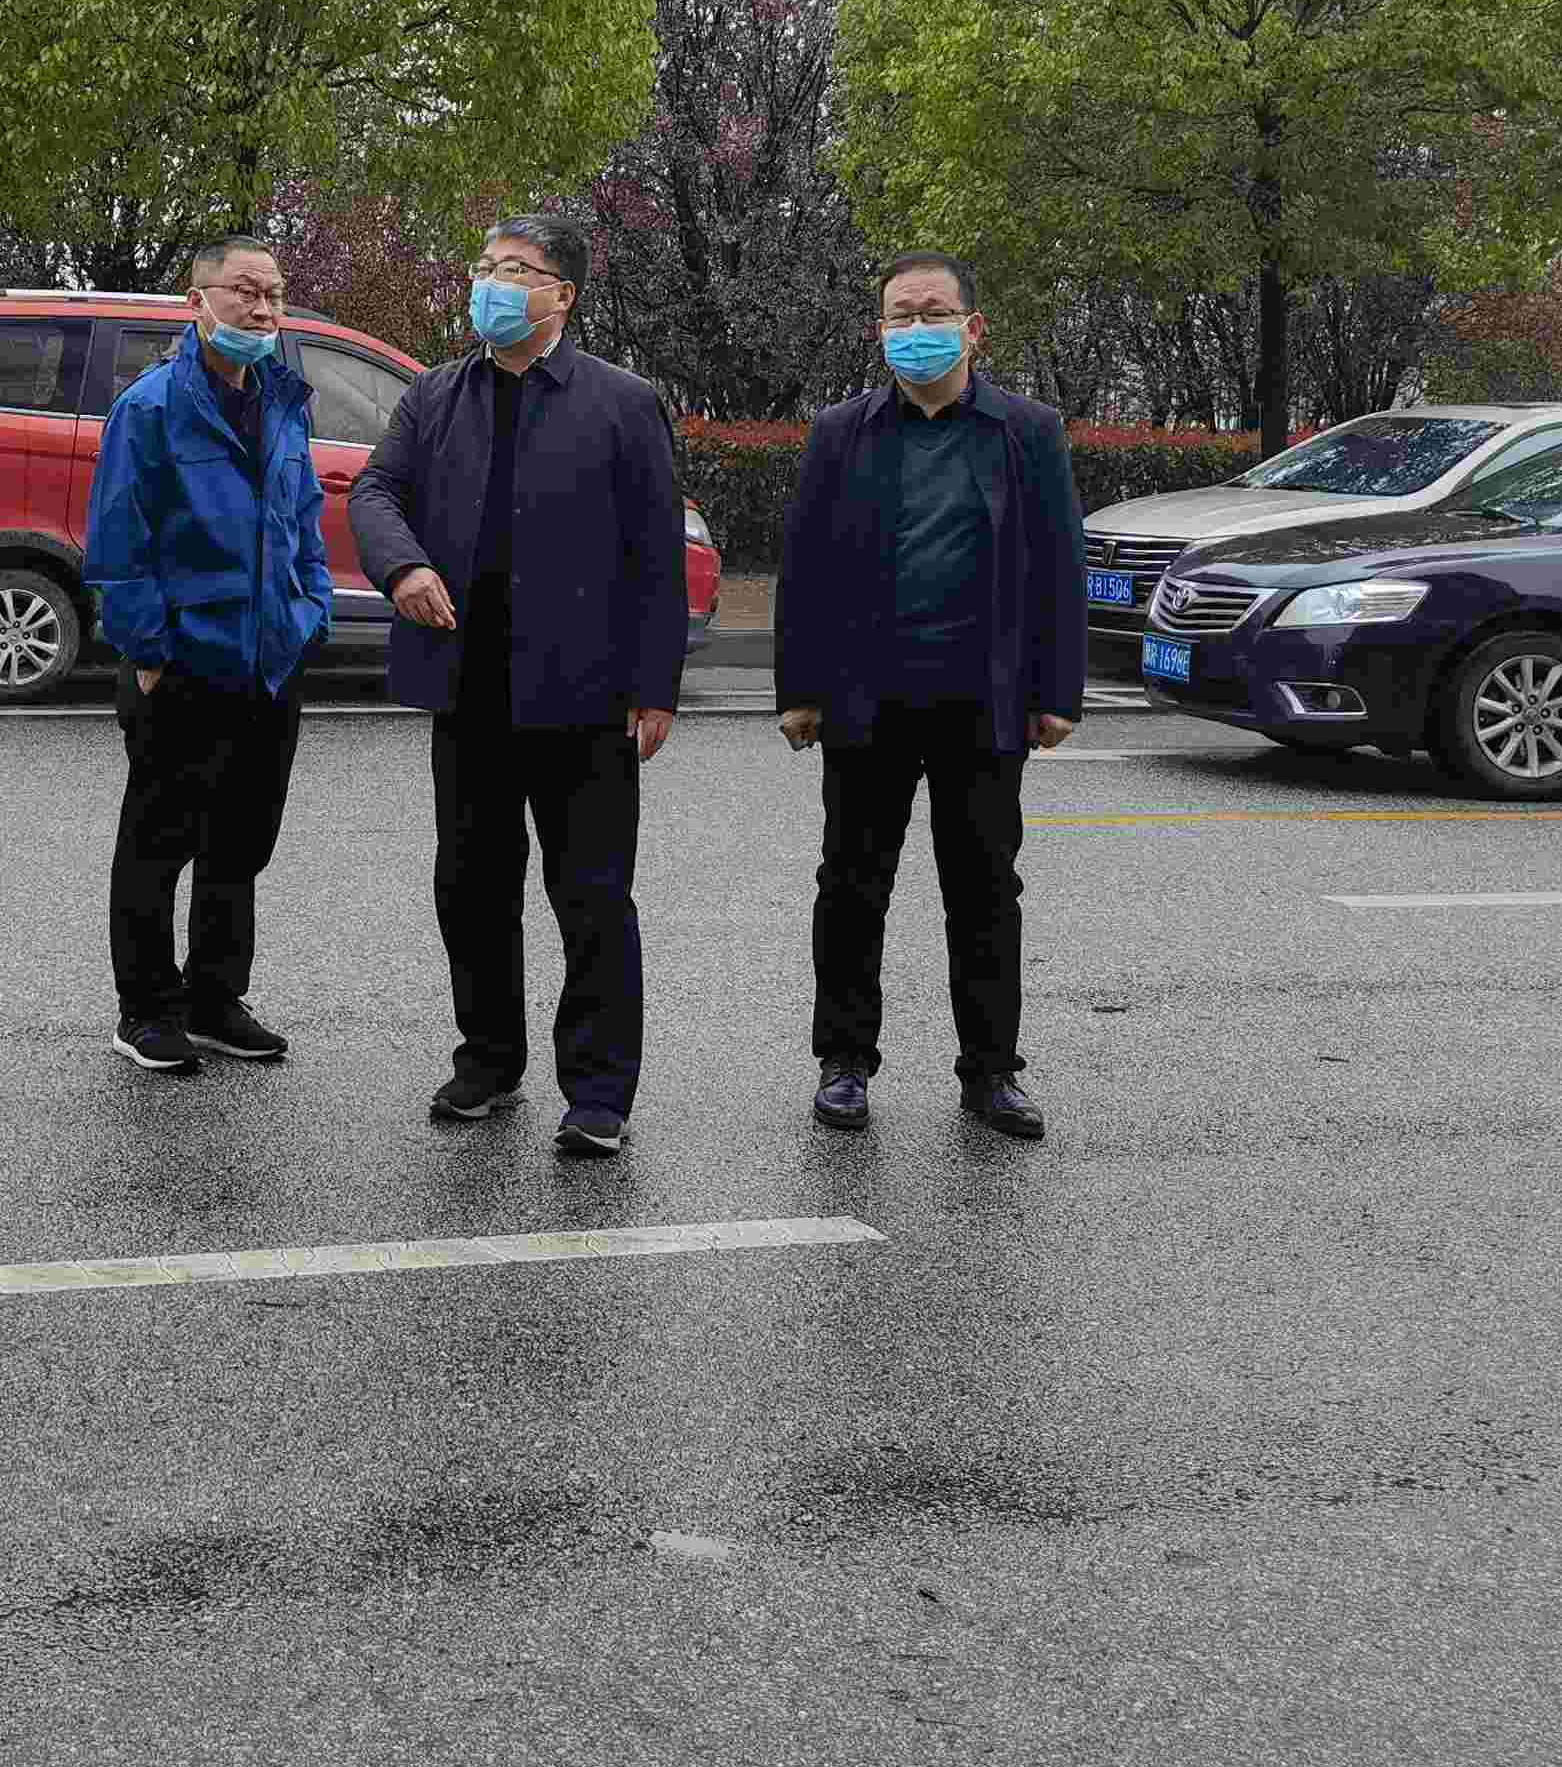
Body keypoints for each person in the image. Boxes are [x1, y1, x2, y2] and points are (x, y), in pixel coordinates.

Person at [347, 212, 688, 1160]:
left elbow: (656, 554)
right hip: (467, 689)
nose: (492, 283)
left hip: (584, 695)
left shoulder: (623, 403)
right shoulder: (436, 394)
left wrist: (654, 686)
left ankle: (599, 1090)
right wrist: (403, 565)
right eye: (486, 265)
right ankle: (488, 1061)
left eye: (516, 269)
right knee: (471, 888)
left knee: (592, 897)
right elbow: (374, 491)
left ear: (562, 295)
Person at [772, 256, 1087, 1141]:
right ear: (879, 332)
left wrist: (1057, 691)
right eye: (900, 316)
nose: (916, 329)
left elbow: (1059, 564)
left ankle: (991, 1072)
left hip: (983, 698)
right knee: (850, 886)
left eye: (934, 313)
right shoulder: (843, 432)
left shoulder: (1028, 432)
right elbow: (805, 565)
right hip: (865, 697)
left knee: (985, 891)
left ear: (973, 329)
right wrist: (800, 689)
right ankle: (844, 1062)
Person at [81, 235, 335, 1075]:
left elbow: (303, 524)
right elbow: (120, 541)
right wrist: (148, 650)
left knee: (240, 843)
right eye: (243, 291)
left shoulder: (285, 403)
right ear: (197, 301)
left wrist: (311, 610)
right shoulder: (151, 407)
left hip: (269, 661)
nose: (261, 309)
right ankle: (146, 1009)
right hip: (183, 663)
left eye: (274, 294)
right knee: (158, 843)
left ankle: (216, 997)